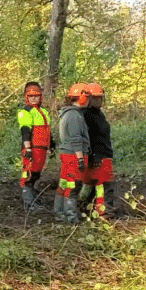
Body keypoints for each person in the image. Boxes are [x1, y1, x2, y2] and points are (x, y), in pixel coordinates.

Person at [55, 83, 91, 223]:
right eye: (86, 97)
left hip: (68, 155)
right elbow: (76, 138)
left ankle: (59, 214)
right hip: (73, 156)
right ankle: (71, 217)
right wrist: (80, 158)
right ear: (80, 97)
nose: (88, 100)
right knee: (73, 187)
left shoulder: (68, 113)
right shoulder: (74, 115)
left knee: (64, 185)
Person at [17, 82, 54, 211]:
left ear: (40, 96)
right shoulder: (25, 111)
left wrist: (52, 144)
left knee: (36, 174)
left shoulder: (43, 111)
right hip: (33, 148)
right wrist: (27, 149)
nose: (34, 98)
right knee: (28, 174)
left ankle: (34, 200)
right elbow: (25, 131)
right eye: (31, 96)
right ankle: (29, 203)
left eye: (36, 95)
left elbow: (47, 130)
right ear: (26, 96)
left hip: (42, 147)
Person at [80, 82, 114, 218]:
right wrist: (95, 155)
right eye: (94, 98)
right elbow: (88, 138)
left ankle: (83, 207)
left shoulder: (98, 114)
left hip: (100, 154)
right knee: (104, 185)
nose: (97, 100)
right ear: (87, 98)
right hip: (98, 156)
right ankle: (103, 211)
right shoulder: (87, 115)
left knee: (90, 184)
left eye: (99, 97)